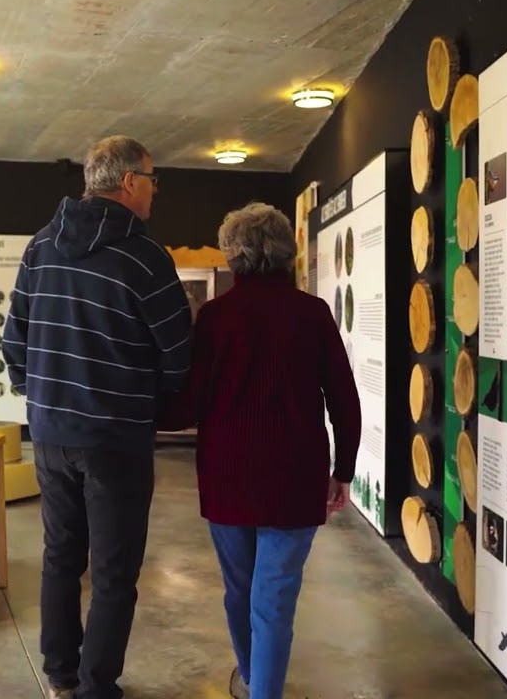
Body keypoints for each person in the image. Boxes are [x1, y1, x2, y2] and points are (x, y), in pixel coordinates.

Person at [1, 135, 193, 699]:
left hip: (50, 434)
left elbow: (14, 340)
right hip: (116, 439)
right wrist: (152, 402)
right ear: (130, 181)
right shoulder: (146, 257)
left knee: (61, 556)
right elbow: (178, 352)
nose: (155, 191)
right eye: (153, 180)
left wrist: (41, 399)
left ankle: (61, 672)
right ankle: (95, 688)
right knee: (113, 572)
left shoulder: (40, 247)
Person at [158, 201, 361, 699]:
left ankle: (251, 677)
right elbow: (344, 399)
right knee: (274, 599)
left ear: (232, 254)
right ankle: (261, 690)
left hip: (227, 477)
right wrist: (344, 469)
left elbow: (189, 405)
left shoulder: (215, 317)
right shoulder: (312, 313)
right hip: (296, 477)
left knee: (239, 590)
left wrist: (135, 409)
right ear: (287, 251)